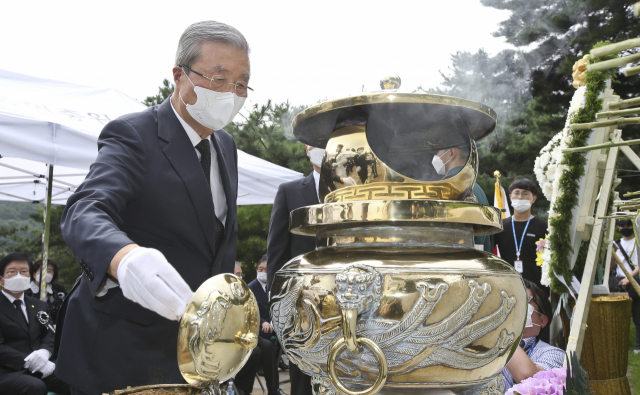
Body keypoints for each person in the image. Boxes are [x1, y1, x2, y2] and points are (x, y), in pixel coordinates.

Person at [56, 21, 247, 394]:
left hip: (196, 353)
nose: (231, 93)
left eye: (241, 84)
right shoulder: (134, 134)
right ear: (180, 75)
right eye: (219, 79)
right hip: (122, 349)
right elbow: (85, 210)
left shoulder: (226, 147)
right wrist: (124, 258)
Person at [267, 144, 325, 395]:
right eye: (315, 144)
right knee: (303, 377)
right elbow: (277, 252)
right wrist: (278, 305)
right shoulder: (289, 191)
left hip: (351, 298)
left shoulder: (354, 191)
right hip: (303, 305)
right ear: (306, 150)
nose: (321, 149)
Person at [0, 253, 70, 395]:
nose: (18, 276)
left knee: (75, 378)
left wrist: (45, 352)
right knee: (35, 387)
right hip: (7, 369)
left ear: (30, 276)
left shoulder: (38, 305)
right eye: (11, 272)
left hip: (42, 366)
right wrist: (27, 361)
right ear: (1, 280)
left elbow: (50, 333)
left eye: (24, 271)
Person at [501, 279, 564, 391]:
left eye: (524, 299)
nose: (511, 304)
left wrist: (502, 331)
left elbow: (529, 378)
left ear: (542, 321)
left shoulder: (554, 354)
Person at [235, 261, 286, 395]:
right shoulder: (248, 289)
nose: (240, 277)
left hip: (251, 331)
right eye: (237, 274)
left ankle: (273, 390)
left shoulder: (273, 287)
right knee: (258, 350)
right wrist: (262, 322)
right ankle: (243, 388)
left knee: (268, 346)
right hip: (242, 332)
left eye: (241, 274)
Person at [492, 179, 548, 293]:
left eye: (525, 193)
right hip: (507, 289)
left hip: (538, 291)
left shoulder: (543, 227)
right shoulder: (500, 226)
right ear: (510, 196)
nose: (520, 197)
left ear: (534, 199)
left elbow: (551, 263)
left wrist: (550, 294)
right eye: (516, 193)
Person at [432, 144, 491, 252]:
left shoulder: (446, 187)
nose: (435, 156)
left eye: (438, 151)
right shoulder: (478, 188)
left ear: (451, 152)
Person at [611, 219, 640, 353]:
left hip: (634, 280)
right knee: (615, 314)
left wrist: (629, 278)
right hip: (618, 281)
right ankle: (617, 343)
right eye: (621, 226)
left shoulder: (637, 242)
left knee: (637, 313)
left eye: (628, 225)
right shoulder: (615, 244)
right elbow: (612, 267)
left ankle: (638, 345)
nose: (624, 228)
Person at [25, 260, 67, 324]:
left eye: (49, 271)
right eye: (41, 271)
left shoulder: (55, 293)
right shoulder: (25, 292)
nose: (45, 274)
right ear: (34, 274)